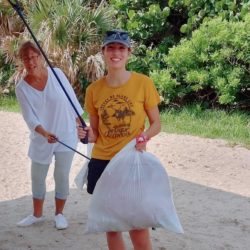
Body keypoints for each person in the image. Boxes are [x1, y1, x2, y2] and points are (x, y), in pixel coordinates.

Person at [78, 30, 161, 250]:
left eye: (121, 48)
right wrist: (86, 135)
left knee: (137, 224)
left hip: (132, 159)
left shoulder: (143, 83)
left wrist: (145, 136)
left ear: (129, 53)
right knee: (112, 225)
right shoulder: (93, 90)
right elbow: (95, 132)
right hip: (103, 161)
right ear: (103, 52)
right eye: (111, 48)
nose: (116, 53)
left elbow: (156, 124)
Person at [15, 41, 83, 230]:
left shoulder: (57, 74)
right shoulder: (21, 88)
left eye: (33, 57)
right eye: (26, 58)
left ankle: (59, 214)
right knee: (37, 177)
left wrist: (81, 126)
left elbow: (72, 102)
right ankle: (37, 215)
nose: (30, 62)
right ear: (22, 61)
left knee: (61, 175)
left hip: (66, 135)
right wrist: (45, 133)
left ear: (40, 57)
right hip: (41, 138)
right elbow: (30, 118)